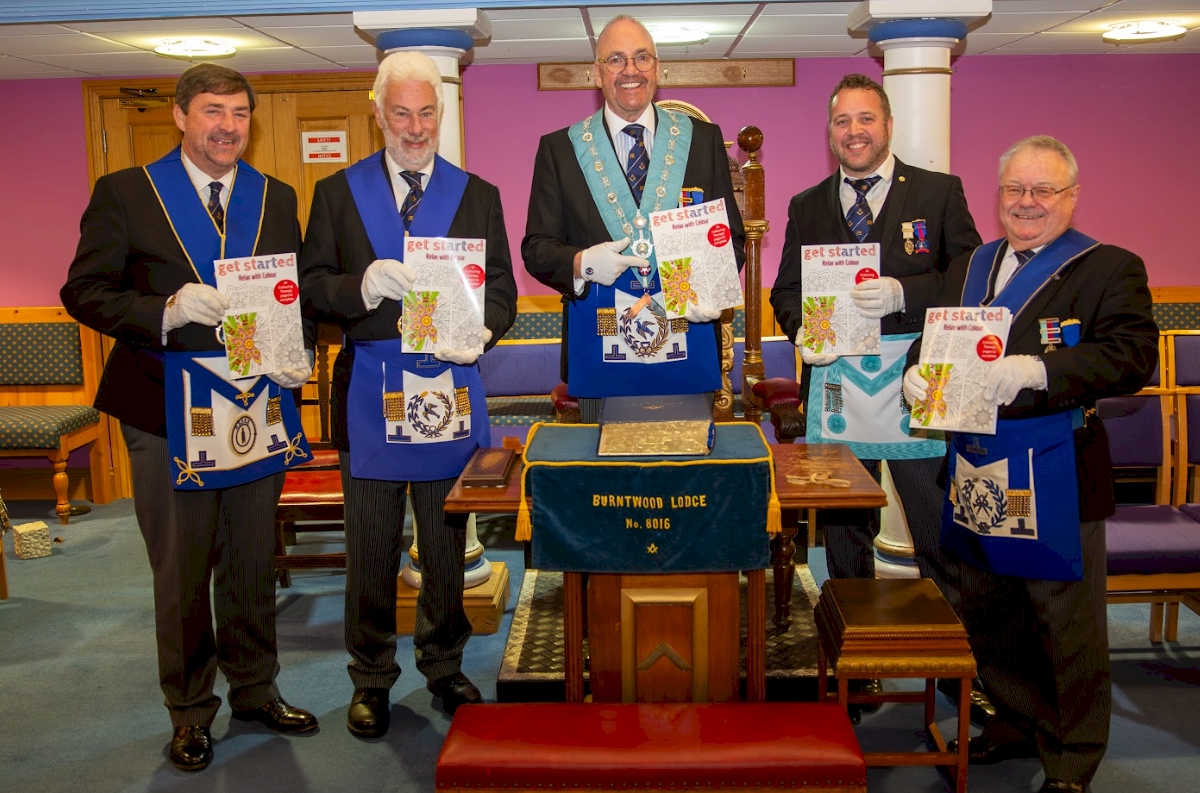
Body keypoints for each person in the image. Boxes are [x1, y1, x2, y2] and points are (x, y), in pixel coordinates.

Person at [61, 63, 316, 772]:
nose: (226, 126)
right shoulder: (126, 195)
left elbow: (286, 299)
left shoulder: (275, 195)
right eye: (212, 111)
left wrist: (300, 352)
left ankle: (257, 688)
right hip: (164, 411)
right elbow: (83, 291)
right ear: (181, 116)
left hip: (254, 406)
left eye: (238, 113)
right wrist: (162, 312)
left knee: (249, 562)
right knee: (181, 568)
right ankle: (190, 709)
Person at [903, 136, 1158, 793]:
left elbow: (1131, 358)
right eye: (1015, 189)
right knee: (991, 609)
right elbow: (941, 331)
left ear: (1070, 196)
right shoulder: (975, 264)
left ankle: (1072, 759)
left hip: (1057, 468)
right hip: (981, 465)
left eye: (1043, 190)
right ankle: (1013, 721)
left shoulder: (1110, 267)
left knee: (1064, 623)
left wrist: (1039, 368)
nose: (1027, 202)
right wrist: (914, 374)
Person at [299, 51, 517, 736]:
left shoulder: (476, 193)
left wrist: (482, 330)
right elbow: (310, 286)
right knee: (369, 546)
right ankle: (370, 675)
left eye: (427, 112)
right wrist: (356, 288)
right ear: (378, 114)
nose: (415, 127)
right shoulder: (337, 193)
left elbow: (504, 291)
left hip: (449, 386)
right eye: (402, 113)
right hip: (368, 387)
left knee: (447, 543)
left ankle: (444, 661)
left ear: (440, 113)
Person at [769, 73, 983, 718]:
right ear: (829, 131)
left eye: (866, 119)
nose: (854, 132)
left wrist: (903, 293)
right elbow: (784, 290)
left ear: (887, 126)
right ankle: (852, 666)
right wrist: (802, 327)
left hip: (918, 384)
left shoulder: (940, 193)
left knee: (935, 533)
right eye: (842, 121)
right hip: (837, 386)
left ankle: (955, 668)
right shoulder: (807, 204)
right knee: (843, 539)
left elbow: (971, 275)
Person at [523, 14, 745, 422]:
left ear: (658, 68)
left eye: (642, 58)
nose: (630, 70)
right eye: (616, 60)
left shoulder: (702, 140)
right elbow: (537, 248)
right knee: (606, 482)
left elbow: (730, 237)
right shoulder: (560, 149)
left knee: (688, 480)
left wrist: (708, 287)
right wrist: (582, 263)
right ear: (597, 73)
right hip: (599, 347)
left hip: (688, 344)